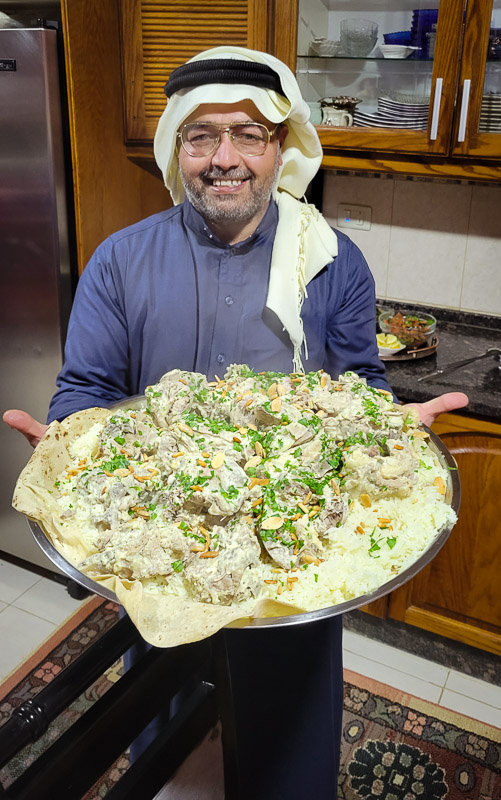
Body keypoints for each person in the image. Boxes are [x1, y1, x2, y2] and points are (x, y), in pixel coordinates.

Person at [4, 46, 468, 798]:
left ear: (281, 148)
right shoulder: (120, 261)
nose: (225, 158)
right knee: (165, 746)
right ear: (175, 149)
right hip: (169, 552)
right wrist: (69, 445)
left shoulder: (332, 261)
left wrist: (388, 429)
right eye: (201, 136)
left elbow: (358, 386)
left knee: (284, 753)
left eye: (249, 135)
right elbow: (87, 390)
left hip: (292, 566)